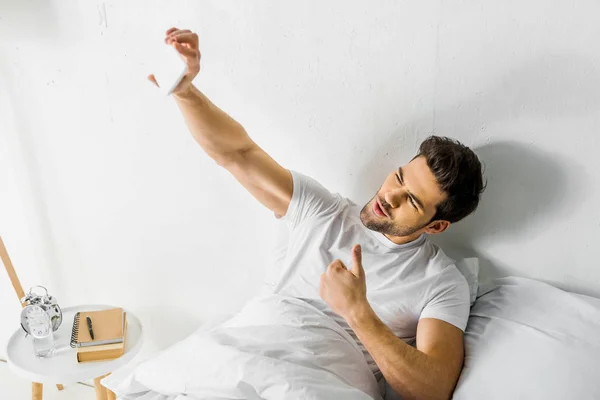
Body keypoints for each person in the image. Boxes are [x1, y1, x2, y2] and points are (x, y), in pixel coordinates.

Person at [151, 27, 485, 400]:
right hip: (247, 352)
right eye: (399, 177)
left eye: (411, 201)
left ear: (437, 225)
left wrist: (358, 311)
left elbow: (433, 389)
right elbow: (238, 154)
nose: (390, 195)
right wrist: (185, 92)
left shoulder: (440, 282)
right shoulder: (322, 209)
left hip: (324, 381)